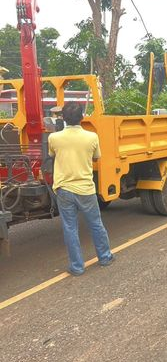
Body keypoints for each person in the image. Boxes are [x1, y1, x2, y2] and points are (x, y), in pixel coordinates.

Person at [48, 102, 114, 276]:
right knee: (96, 224)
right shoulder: (92, 137)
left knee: (70, 227)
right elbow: (97, 156)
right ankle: (105, 257)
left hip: (64, 189)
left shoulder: (54, 138)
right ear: (82, 117)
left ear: (62, 117)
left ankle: (77, 267)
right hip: (85, 188)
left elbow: (51, 155)